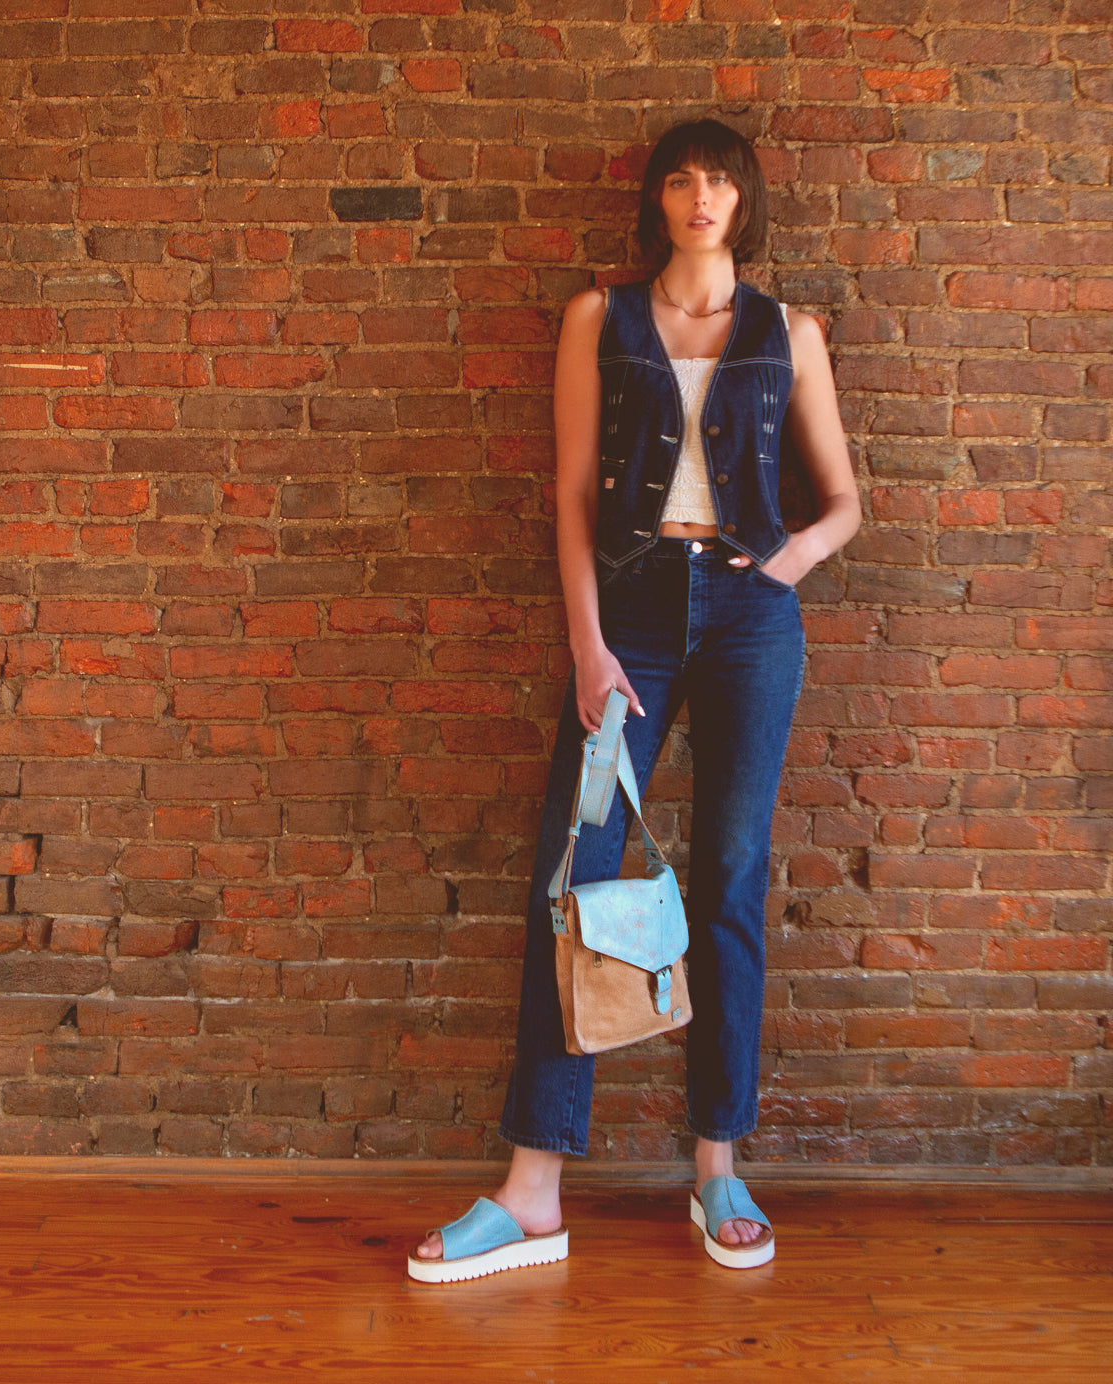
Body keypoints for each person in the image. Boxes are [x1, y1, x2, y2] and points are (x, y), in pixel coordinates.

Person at [408, 118, 861, 1284]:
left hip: (752, 617)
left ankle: (717, 1166)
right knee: (579, 871)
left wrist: (787, 567)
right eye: (681, 179)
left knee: (730, 874)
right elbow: (567, 492)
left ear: (744, 200)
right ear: (657, 200)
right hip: (633, 618)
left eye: (720, 180)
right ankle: (534, 1188)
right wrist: (587, 645)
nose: (700, 197)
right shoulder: (597, 320)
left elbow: (844, 501)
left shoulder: (789, 333)